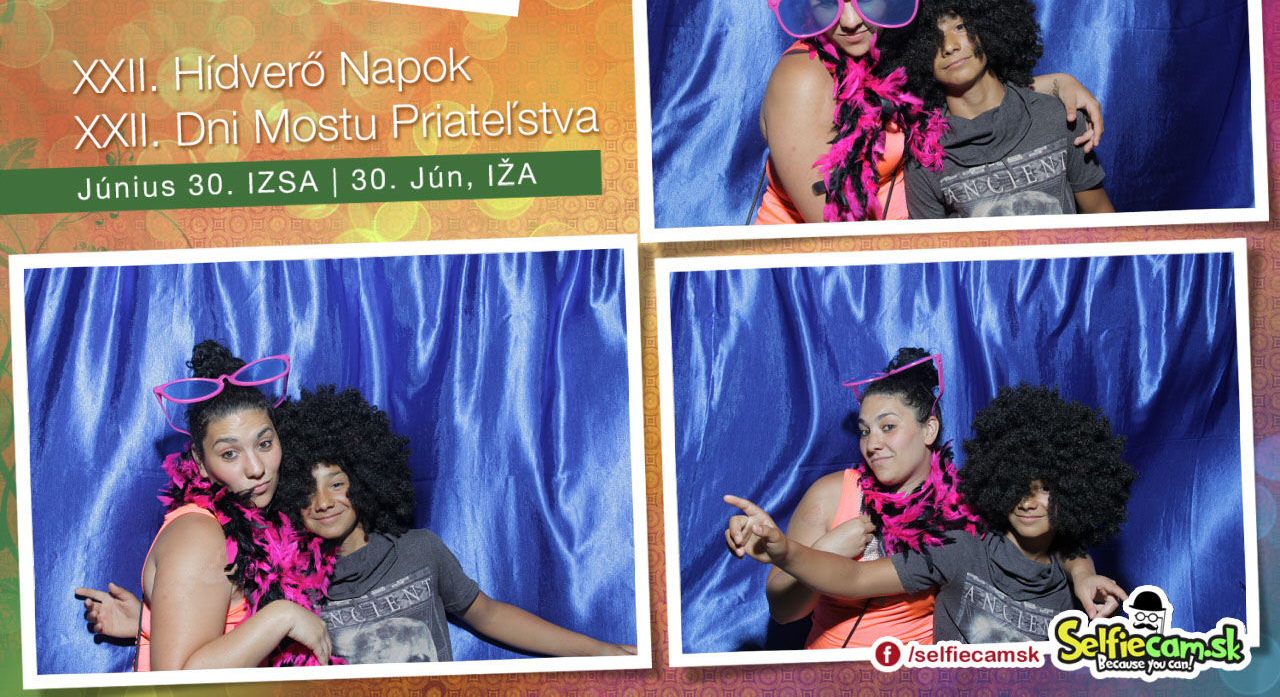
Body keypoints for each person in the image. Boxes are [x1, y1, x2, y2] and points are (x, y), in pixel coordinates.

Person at [82, 384, 635, 664]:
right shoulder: (293, 585)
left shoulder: (420, 551)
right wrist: (152, 624)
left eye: (338, 483)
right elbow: (235, 631)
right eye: (306, 489)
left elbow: (489, 614)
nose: (322, 501)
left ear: (367, 480)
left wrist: (606, 654)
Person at [755, 0, 1103, 224]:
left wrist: (1056, 83)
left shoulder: (888, 49)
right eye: (827, 1)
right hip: (828, 256)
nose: (849, 20)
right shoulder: (802, 79)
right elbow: (835, 234)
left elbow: (954, 93)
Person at [727, 384, 1137, 644]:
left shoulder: (970, 501)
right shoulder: (833, 493)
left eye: (888, 427)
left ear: (929, 429)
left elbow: (1050, 532)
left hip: (920, 677)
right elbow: (790, 608)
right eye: (865, 430)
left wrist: (1082, 573)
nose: (872, 443)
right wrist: (813, 547)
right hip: (833, 671)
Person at [108, 340, 335, 670]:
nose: (256, 468)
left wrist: (147, 626)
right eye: (230, 453)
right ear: (200, 461)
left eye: (264, 443)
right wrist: (281, 617)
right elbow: (175, 685)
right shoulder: (199, 535)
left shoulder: (257, 526)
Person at [896, 0, 1116, 218]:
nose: (949, 46)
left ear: (989, 22)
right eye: (931, 39)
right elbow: (933, 250)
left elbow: (1102, 219)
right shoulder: (924, 160)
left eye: (960, 26)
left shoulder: (1056, 117)